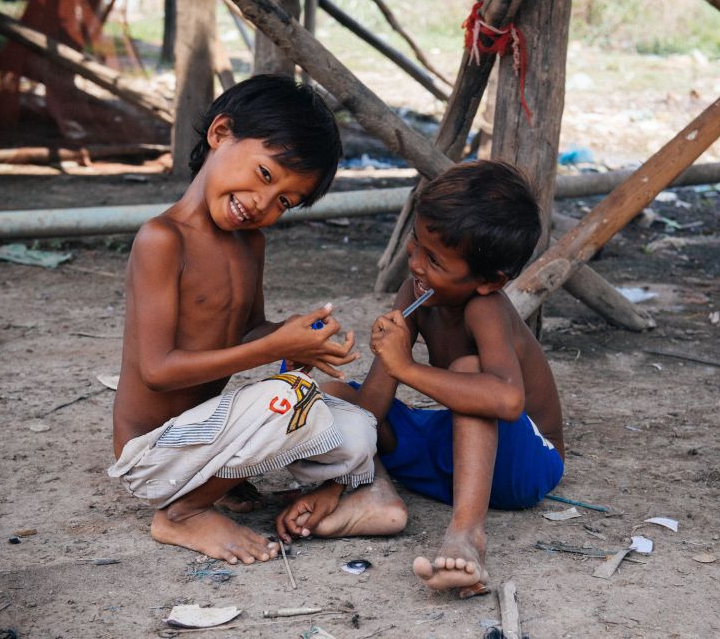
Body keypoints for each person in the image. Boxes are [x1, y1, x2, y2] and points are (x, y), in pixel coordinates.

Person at [108, 75, 406, 566]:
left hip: (205, 439)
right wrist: (271, 351)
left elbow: (247, 332)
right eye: (267, 176)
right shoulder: (163, 240)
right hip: (153, 453)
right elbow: (157, 370)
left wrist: (297, 342)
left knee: (357, 426)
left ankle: (237, 482)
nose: (263, 205)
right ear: (221, 133)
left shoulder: (251, 244)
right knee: (286, 397)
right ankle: (181, 513)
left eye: (285, 202)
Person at [327, 160, 565, 598]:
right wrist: (387, 360)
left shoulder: (486, 309)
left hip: (522, 465)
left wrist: (408, 369)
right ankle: (370, 490)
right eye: (415, 244)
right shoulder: (416, 293)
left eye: (434, 259)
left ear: (490, 281)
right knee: (330, 393)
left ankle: (466, 534)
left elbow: (507, 401)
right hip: (457, 457)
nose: (415, 264)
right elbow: (371, 413)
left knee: (469, 373)